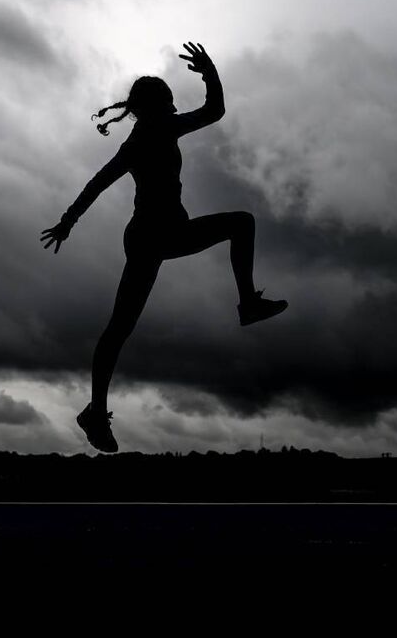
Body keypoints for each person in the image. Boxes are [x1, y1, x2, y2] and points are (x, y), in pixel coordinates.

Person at [41, 42, 287, 453]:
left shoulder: (143, 136)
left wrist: (69, 221)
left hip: (161, 234)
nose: (173, 109)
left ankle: (96, 411)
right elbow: (213, 111)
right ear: (155, 108)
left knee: (120, 328)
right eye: (168, 103)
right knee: (240, 224)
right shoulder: (156, 131)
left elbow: (98, 182)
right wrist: (209, 71)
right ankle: (96, 412)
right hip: (152, 237)